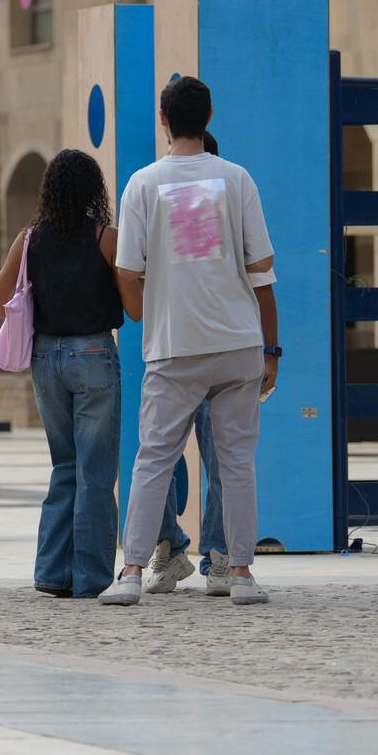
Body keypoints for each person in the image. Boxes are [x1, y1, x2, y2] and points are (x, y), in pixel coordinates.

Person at [102, 77, 276, 607]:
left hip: (174, 344)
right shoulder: (237, 178)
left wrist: (148, 311)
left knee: (153, 457)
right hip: (238, 342)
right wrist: (272, 348)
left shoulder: (142, 184)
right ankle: (240, 573)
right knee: (237, 461)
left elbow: (128, 269)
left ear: (163, 119)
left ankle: (132, 571)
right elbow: (262, 270)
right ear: (210, 116)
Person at [0, 150, 130, 599]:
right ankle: (91, 578)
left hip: (46, 357)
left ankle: (51, 573)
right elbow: (135, 307)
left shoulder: (29, 239)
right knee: (96, 471)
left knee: (63, 466)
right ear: (94, 189)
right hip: (93, 352)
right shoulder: (106, 237)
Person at [147, 129, 232, 595]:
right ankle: (171, 547)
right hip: (173, 349)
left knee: (222, 464)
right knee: (158, 461)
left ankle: (217, 554)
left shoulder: (230, 201)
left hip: (218, 353)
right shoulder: (162, 200)